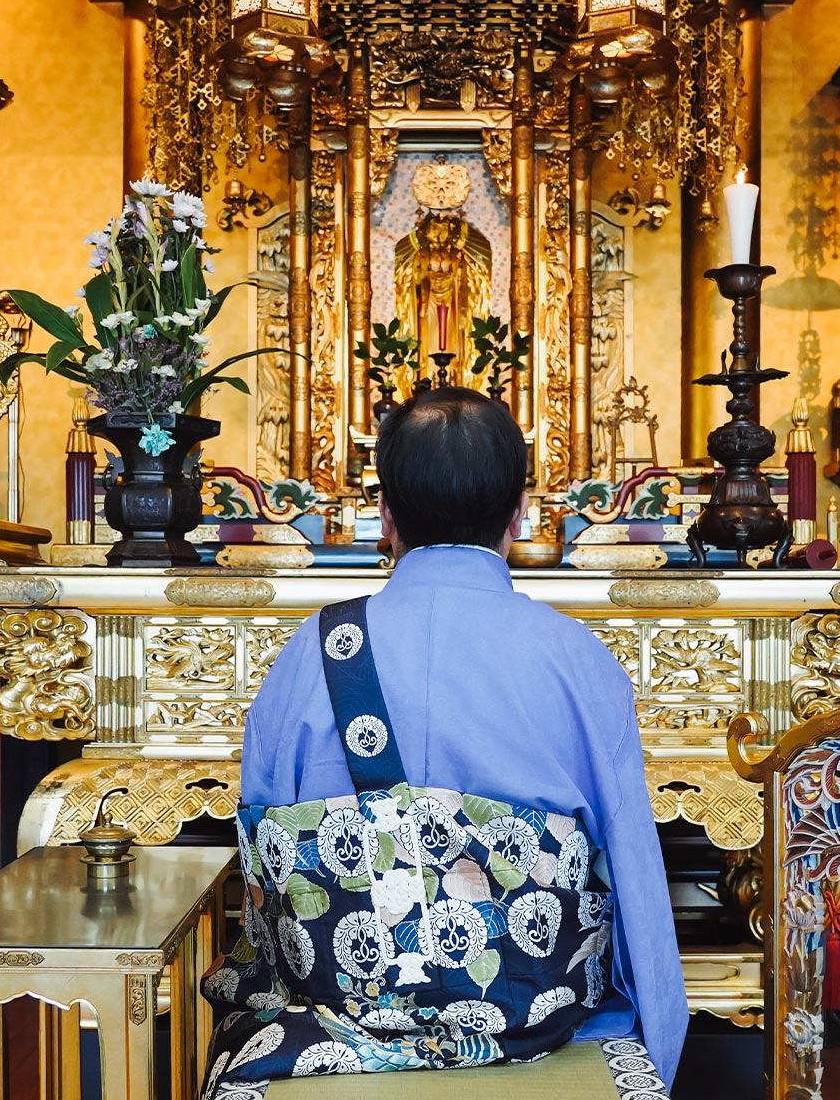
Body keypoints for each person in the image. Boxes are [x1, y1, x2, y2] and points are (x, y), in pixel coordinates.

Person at [200, 388, 685, 1094]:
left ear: (387, 516)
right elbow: (633, 876)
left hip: (336, 1018)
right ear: (518, 514)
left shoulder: (313, 650)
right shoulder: (576, 657)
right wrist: (656, 1046)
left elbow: (265, 865)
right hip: (536, 1020)